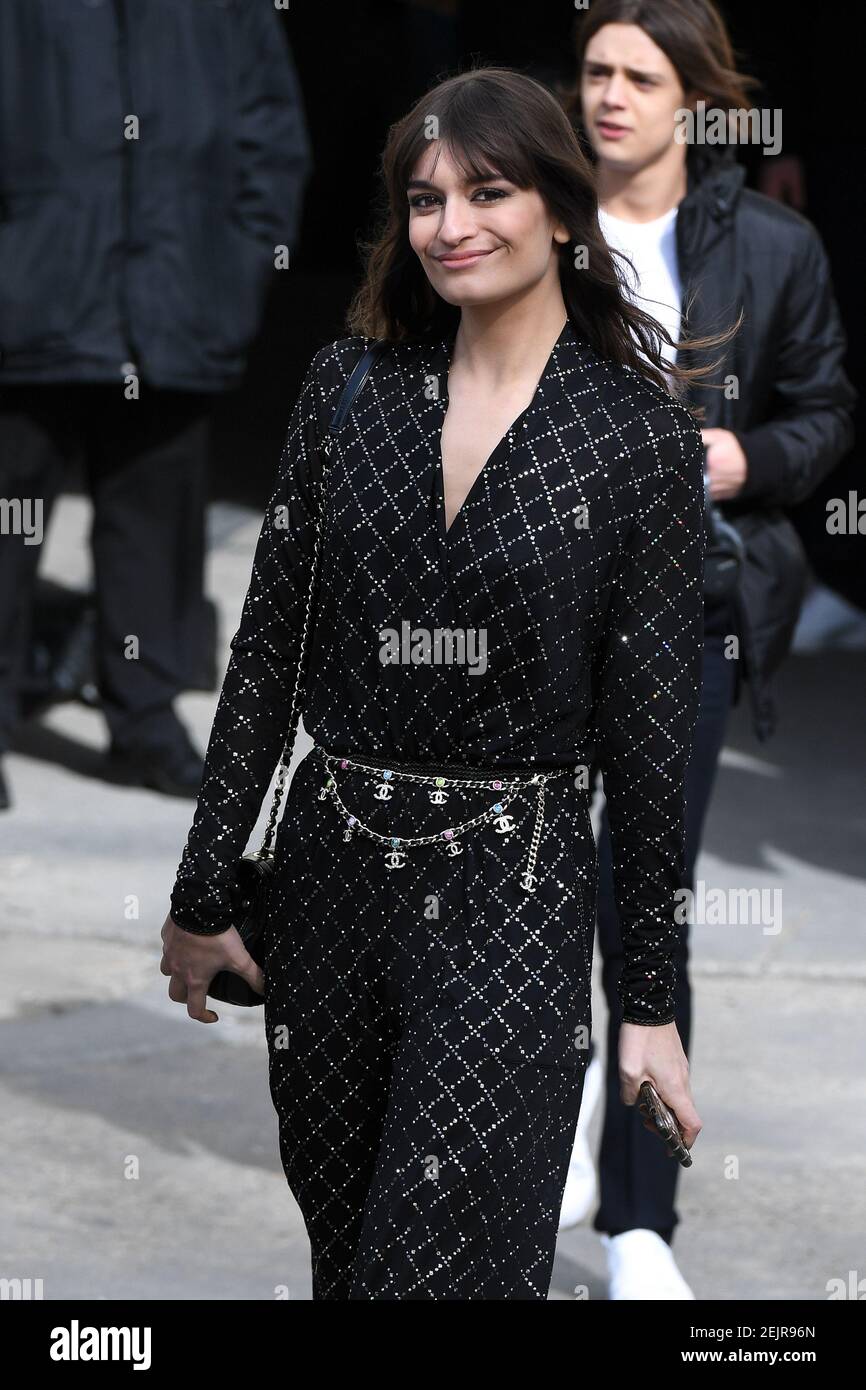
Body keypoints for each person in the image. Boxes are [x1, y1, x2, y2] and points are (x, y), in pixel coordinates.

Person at [161, 65, 727, 1301]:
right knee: (348, 1251)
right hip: (327, 888)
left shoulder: (634, 442)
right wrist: (204, 892)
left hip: (510, 901)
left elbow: (645, 754)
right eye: (423, 199)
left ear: (563, 213)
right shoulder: (347, 391)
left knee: (436, 1271)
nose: (451, 224)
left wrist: (646, 1006)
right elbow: (264, 654)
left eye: (488, 189)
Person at [557, 0, 856, 1299]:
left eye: (638, 76)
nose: (609, 96)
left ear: (693, 99)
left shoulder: (770, 244)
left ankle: (637, 1223)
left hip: (682, 610)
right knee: (517, 901)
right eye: (592, 71)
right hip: (531, 610)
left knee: (646, 912)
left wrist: (749, 457)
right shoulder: (525, 216)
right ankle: (531, 1135)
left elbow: (824, 409)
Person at [0, 0, 311, 809]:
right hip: (29, 305)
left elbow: (270, 136)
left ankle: (144, 718)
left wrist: (238, 271)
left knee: (152, 525)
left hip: (175, 303)